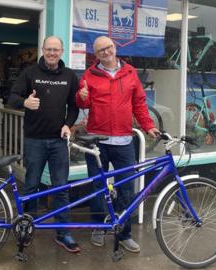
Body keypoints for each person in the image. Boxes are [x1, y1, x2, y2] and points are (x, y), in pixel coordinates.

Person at [76, 36, 159, 253]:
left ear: (115, 48)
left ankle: (124, 233)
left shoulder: (130, 73)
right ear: (96, 55)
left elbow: (139, 103)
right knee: (97, 186)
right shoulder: (89, 74)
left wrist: (148, 126)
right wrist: (82, 96)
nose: (106, 52)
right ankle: (98, 228)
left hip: (123, 141)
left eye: (108, 47)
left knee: (126, 188)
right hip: (97, 141)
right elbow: (82, 103)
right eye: (101, 50)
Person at [8, 36, 80, 253]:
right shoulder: (30, 73)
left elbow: (74, 107)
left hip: (59, 141)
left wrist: (68, 125)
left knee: (61, 188)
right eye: (48, 49)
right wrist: (25, 102)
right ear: (42, 50)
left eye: (56, 50)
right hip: (34, 140)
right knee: (31, 187)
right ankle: (27, 227)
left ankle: (63, 233)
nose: (52, 53)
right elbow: (12, 97)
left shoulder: (69, 76)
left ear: (62, 51)